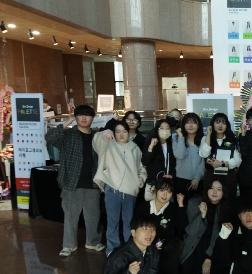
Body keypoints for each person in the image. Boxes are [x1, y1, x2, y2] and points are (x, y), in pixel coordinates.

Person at [46, 105, 104, 257]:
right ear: (76, 117)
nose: (84, 118)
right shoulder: (68, 134)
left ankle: (93, 241)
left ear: (93, 118)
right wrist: (67, 122)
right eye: (80, 115)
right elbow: (49, 137)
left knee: (93, 215)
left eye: (87, 115)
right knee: (71, 216)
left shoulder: (97, 136)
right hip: (71, 182)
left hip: (92, 182)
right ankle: (69, 245)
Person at [93, 120, 147, 256]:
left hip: (130, 190)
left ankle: (130, 248)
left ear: (128, 133)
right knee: (113, 222)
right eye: (117, 131)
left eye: (124, 131)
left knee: (129, 222)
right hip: (112, 189)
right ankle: (112, 249)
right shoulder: (108, 145)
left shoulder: (135, 148)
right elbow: (96, 141)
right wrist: (105, 133)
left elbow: (142, 168)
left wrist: (140, 180)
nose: (121, 134)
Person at [135, 177, 187, 274]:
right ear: (156, 190)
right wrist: (148, 245)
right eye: (162, 190)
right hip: (144, 245)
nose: (165, 194)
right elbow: (135, 226)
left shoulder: (172, 209)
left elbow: (181, 225)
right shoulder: (144, 207)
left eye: (169, 191)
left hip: (164, 245)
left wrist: (181, 204)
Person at [180, 177, 231, 274]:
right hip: (194, 246)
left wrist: (208, 258)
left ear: (224, 192)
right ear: (207, 189)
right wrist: (202, 216)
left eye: (219, 189)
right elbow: (191, 232)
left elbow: (218, 235)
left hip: (213, 247)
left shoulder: (225, 208)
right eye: (212, 188)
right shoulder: (194, 203)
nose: (214, 192)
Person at [200, 113, 241, 202]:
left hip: (228, 177)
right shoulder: (205, 138)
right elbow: (204, 154)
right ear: (213, 124)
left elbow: (238, 161)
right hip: (211, 176)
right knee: (210, 202)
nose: (220, 125)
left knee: (229, 203)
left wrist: (222, 164)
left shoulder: (232, 139)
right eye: (218, 122)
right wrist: (209, 134)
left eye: (223, 123)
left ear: (227, 125)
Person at [173, 112, 205, 200]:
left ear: (198, 125)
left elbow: (203, 162)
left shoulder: (203, 140)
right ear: (183, 125)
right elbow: (180, 155)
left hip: (198, 181)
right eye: (187, 122)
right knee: (181, 206)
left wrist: (197, 178)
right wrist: (181, 137)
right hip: (180, 180)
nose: (190, 125)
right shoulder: (176, 139)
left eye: (194, 122)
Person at [142, 119, 176, 183]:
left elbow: (174, 163)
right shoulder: (151, 144)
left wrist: (172, 175)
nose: (165, 131)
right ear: (156, 130)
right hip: (154, 182)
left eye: (167, 128)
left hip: (168, 181)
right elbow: (145, 161)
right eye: (161, 128)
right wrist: (151, 146)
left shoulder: (171, 145)